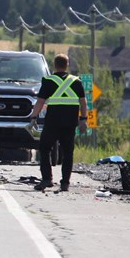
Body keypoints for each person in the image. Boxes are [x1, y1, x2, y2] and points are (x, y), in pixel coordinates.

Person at [32, 53, 87, 191]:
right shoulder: (76, 81)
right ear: (67, 65)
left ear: (54, 65)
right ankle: (65, 183)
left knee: (45, 149)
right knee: (68, 152)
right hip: (70, 123)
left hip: (52, 122)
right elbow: (83, 103)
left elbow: (40, 102)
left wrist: (33, 117)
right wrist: (83, 120)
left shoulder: (48, 81)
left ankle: (46, 179)